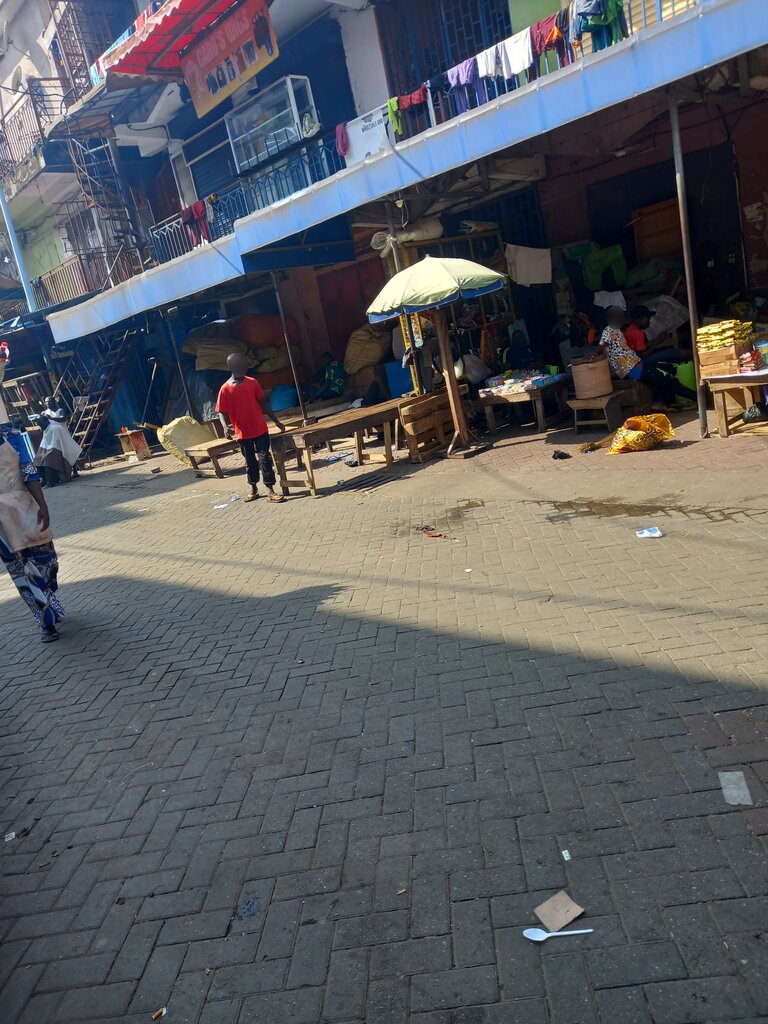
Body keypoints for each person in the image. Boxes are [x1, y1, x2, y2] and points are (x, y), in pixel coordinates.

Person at [0, 427, 64, 642]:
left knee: (48, 564)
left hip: (26, 509)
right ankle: (46, 622)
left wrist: (43, 504)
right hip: (2, 526)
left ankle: (48, 593)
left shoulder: (12, 436)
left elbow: (29, 472)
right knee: (21, 571)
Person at [216, 353, 286, 503]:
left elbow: (263, 403)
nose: (245, 367)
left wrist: (276, 421)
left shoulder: (253, 383)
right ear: (233, 367)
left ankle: (270, 490)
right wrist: (225, 427)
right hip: (242, 432)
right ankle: (253, 487)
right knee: (250, 461)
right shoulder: (225, 389)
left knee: (265, 458)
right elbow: (221, 411)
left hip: (260, 428)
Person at [600, 306, 697, 411]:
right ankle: (697, 398)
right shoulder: (610, 330)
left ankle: (660, 402)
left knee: (667, 371)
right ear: (614, 317)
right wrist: (594, 352)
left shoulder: (616, 331)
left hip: (636, 366)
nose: (624, 319)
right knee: (668, 378)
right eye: (621, 317)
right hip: (634, 369)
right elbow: (601, 346)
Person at [33, 401, 82, 486]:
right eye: (46, 402)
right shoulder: (45, 414)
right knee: (38, 458)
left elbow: (63, 418)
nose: (48, 404)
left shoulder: (60, 411)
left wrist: (51, 418)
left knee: (66, 451)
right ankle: (44, 479)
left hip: (61, 433)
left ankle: (74, 472)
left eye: (49, 402)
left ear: (54, 402)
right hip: (51, 436)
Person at [624, 305, 690, 366]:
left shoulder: (630, 330)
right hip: (637, 366)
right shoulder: (637, 333)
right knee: (669, 353)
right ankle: (694, 353)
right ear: (642, 319)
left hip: (633, 363)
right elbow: (644, 355)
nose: (649, 322)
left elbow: (643, 346)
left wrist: (657, 338)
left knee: (664, 351)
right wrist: (657, 341)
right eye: (648, 319)